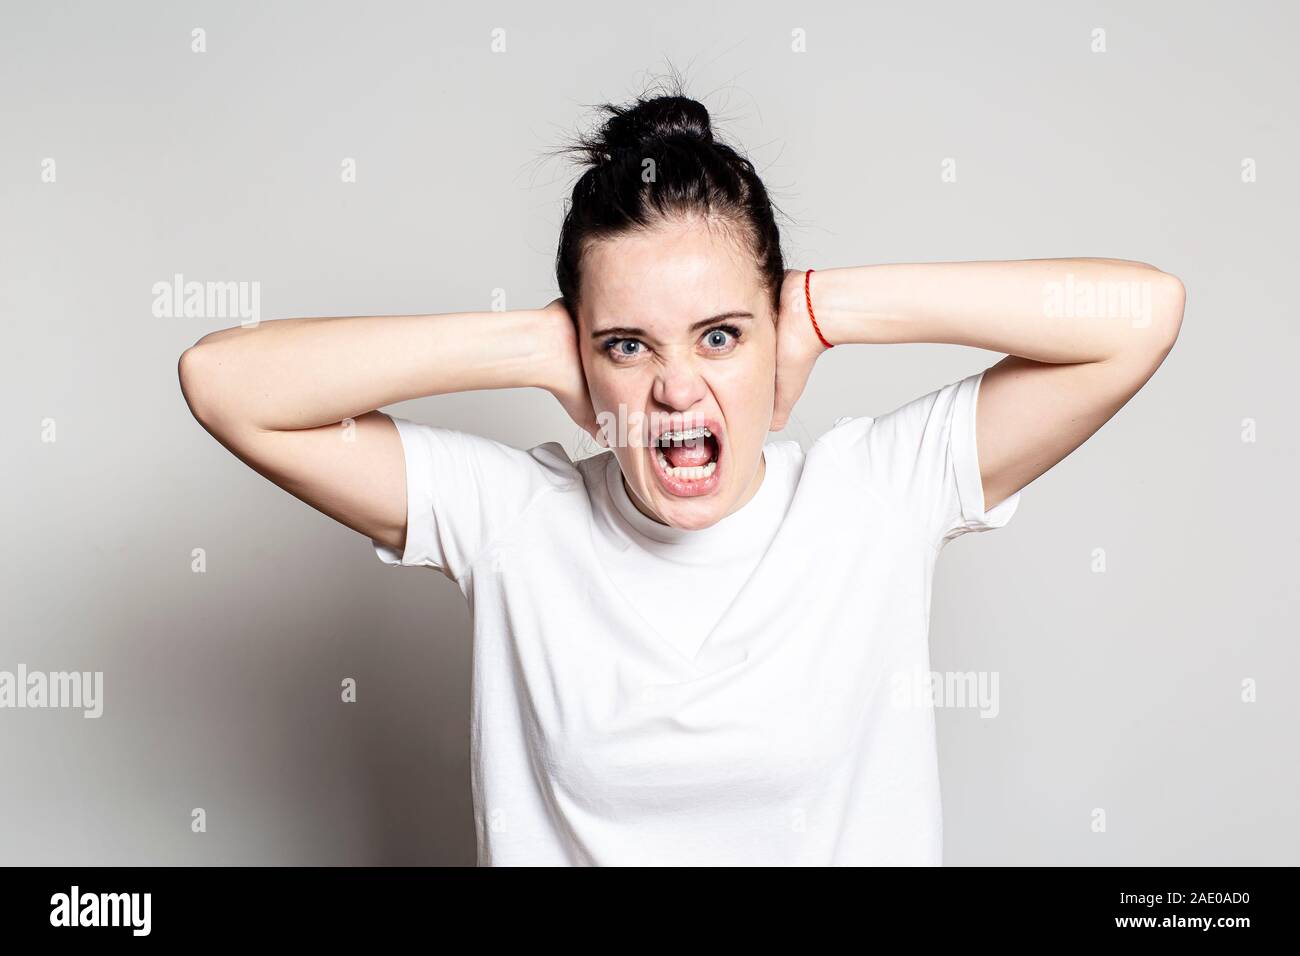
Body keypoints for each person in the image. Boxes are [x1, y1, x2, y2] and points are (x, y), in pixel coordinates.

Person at [177, 83, 1186, 866]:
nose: (675, 387)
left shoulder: (874, 495)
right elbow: (225, 384)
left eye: (719, 334)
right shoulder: (514, 521)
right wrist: (531, 342)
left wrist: (825, 307)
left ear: (774, 342)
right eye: (626, 345)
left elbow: (1137, 317)